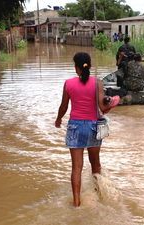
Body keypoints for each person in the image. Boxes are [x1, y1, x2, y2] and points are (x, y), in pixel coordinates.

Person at [55, 52, 120, 207]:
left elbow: (64, 107)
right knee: (95, 164)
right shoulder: (97, 82)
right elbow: (103, 106)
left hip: (74, 127)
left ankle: (76, 204)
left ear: (75, 67)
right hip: (93, 127)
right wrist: (114, 100)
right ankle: (99, 197)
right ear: (90, 66)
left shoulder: (68, 83)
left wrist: (58, 120)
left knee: (76, 168)